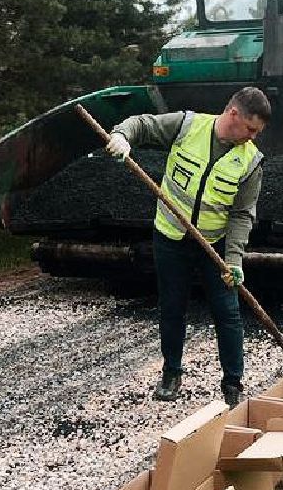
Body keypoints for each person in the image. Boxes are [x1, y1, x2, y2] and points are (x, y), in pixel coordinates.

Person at [105, 86, 271, 408]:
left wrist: (234, 260)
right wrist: (122, 135)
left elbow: (241, 215)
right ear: (233, 114)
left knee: (228, 312)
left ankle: (233, 381)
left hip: (214, 244)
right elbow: (143, 124)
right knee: (172, 306)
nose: (252, 137)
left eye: (257, 132)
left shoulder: (251, 162)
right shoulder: (187, 126)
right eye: (250, 129)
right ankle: (171, 373)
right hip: (170, 237)